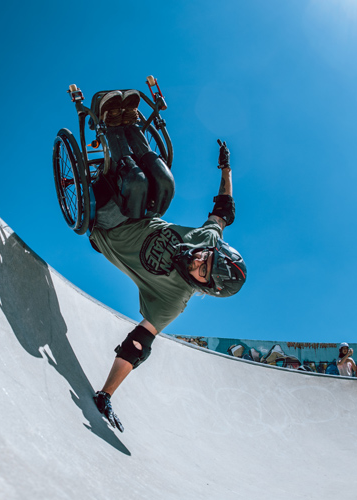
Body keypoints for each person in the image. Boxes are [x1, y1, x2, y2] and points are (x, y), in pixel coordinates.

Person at [89, 90, 247, 432]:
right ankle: (128, 124)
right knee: (164, 181)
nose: (199, 259)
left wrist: (106, 394)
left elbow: (137, 344)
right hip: (144, 211)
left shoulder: (172, 300)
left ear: (204, 285)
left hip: (107, 226)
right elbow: (224, 211)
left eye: (202, 269)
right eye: (207, 256)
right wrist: (227, 167)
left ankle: (107, 125)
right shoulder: (207, 240)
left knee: (134, 181)